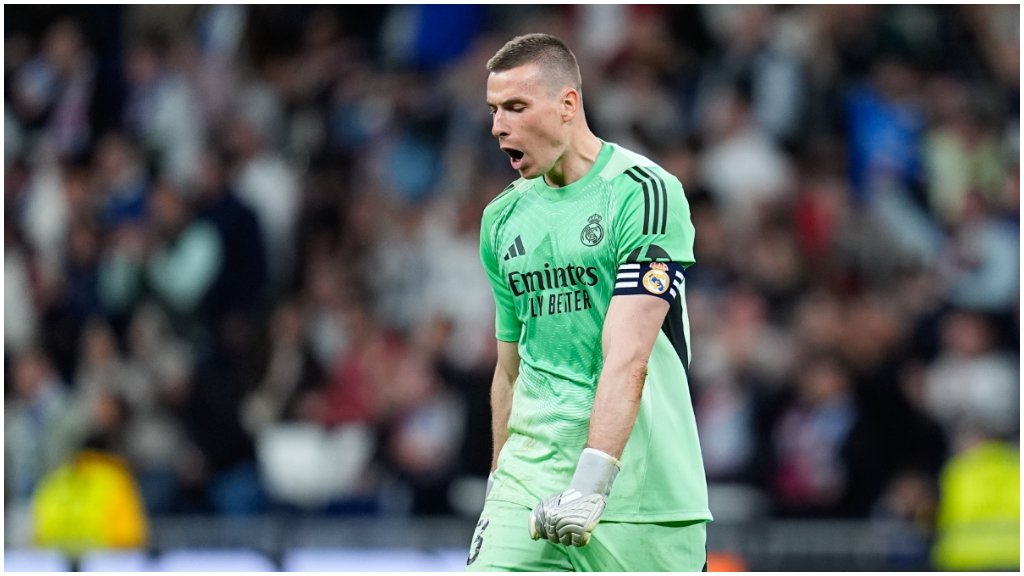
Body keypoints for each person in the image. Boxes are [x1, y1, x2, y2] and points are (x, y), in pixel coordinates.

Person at [467, 33, 711, 572]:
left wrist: (590, 486)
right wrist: (498, 487)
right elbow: (510, 371)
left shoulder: (644, 192)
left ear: (568, 104)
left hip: (642, 498)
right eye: (492, 110)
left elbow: (628, 356)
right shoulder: (501, 220)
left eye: (515, 107)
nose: (497, 126)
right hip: (526, 488)